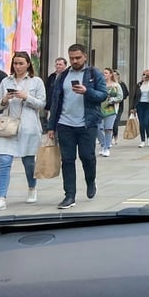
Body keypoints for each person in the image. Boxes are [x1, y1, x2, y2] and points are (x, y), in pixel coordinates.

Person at [47, 44, 107, 210]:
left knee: (87, 157)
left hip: (87, 124)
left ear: (85, 57)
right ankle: (69, 195)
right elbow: (55, 103)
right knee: (67, 160)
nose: (74, 61)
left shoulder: (94, 74)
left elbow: (103, 95)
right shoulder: (63, 76)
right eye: (72, 58)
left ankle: (90, 181)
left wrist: (87, 91)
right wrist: (51, 126)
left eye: (78, 58)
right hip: (65, 124)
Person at [0, 51, 46, 212]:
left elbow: (42, 104)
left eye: (21, 63)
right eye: (15, 63)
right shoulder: (5, 81)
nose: (18, 66)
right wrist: (5, 99)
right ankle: (1, 198)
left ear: (28, 64)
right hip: (7, 127)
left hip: (28, 128)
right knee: (4, 162)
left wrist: (26, 97)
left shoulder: (36, 81)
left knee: (28, 162)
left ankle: (32, 187)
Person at [97, 68, 123, 157]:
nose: (104, 74)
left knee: (108, 128)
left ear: (111, 74)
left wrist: (112, 100)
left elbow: (120, 97)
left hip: (111, 109)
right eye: (103, 73)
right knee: (99, 128)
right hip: (100, 109)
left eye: (106, 73)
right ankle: (103, 144)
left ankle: (107, 147)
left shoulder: (116, 85)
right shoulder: (100, 85)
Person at [131, 70, 149, 148]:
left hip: (148, 105)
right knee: (141, 123)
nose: (144, 77)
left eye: (146, 76)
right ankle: (142, 140)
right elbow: (135, 96)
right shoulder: (139, 84)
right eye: (143, 75)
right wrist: (132, 107)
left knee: (146, 122)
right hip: (140, 105)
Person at [43, 57, 67, 126]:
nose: (58, 66)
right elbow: (47, 90)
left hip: (62, 107)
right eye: (57, 64)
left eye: (60, 64)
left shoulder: (67, 77)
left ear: (65, 65)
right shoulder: (52, 76)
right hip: (52, 105)